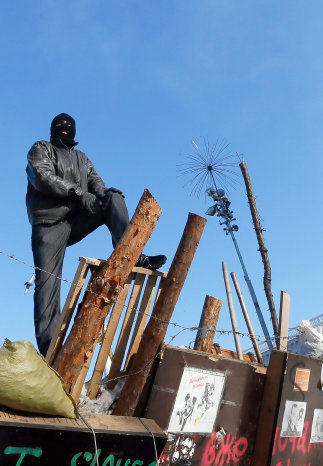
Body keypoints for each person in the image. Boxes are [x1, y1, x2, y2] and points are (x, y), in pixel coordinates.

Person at [26, 113, 166, 356]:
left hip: (77, 220)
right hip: (48, 224)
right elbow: (42, 177)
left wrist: (101, 195)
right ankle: (50, 351)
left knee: (113, 197)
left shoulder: (82, 158)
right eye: (60, 126)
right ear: (52, 129)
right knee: (47, 284)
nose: (65, 128)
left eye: (69, 126)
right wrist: (80, 194)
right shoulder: (41, 149)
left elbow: (96, 182)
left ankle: (132, 254)